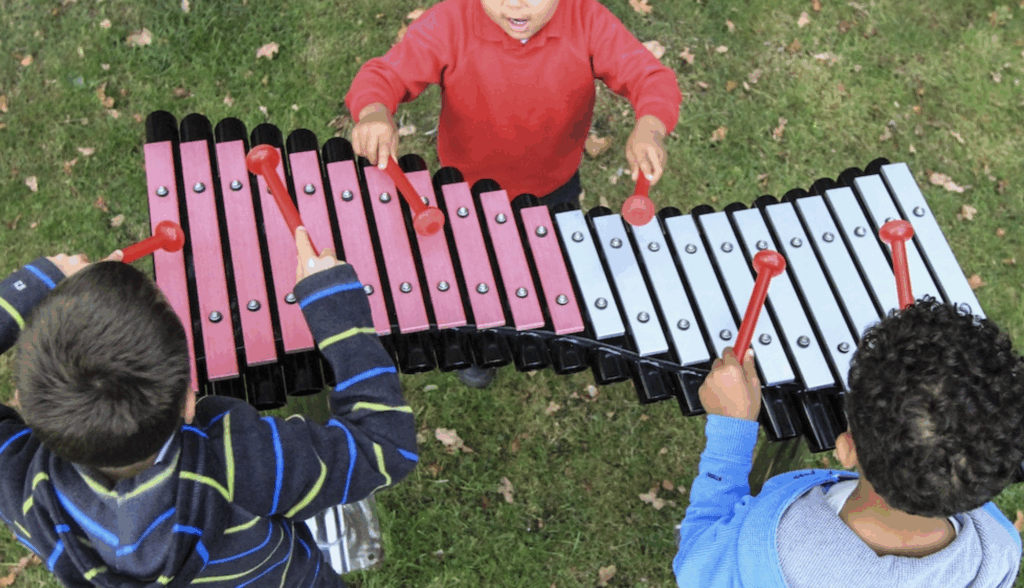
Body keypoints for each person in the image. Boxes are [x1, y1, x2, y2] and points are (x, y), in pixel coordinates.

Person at [0, 227, 417, 587]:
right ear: (188, 400)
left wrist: (34, 286)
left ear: (27, 407)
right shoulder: (241, 462)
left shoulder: (27, 494)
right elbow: (385, 445)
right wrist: (338, 313)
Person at [345, 0, 682, 388]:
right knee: (467, 277)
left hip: (553, 188)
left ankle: (542, 320)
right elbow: (384, 74)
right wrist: (373, 111)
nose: (515, 4)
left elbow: (650, 77)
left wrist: (651, 125)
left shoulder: (587, 19)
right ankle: (471, 347)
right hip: (465, 195)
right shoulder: (451, 20)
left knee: (547, 269)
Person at [675, 298, 1024, 588]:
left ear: (845, 448)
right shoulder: (996, 551)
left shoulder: (768, 548)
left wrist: (730, 432)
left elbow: (696, 561)